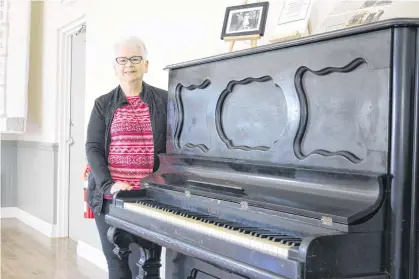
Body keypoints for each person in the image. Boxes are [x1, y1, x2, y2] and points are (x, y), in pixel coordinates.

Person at [85, 36, 168, 279]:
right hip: (112, 197)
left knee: (150, 266)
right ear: (114, 67)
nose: (128, 65)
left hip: (150, 197)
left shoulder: (164, 100)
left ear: (146, 65)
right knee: (119, 267)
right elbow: (93, 148)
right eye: (122, 60)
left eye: (135, 59)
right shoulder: (103, 104)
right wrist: (109, 185)